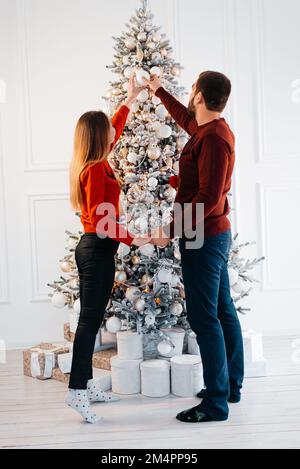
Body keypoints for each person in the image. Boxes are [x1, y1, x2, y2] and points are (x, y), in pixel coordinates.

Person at [144, 71, 244, 422]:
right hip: (208, 234)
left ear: (200, 95)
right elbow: (186, 119)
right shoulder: (207, 130)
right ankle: (230, 386)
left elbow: (208, 199)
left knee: (206, 318)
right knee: (222, 309)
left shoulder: (215, 138)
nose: (188, 94)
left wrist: (169, 230)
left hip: (204, 237)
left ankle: (216, 402)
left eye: (191, 89)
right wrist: (159, 91)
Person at [67, 74, 150, 423]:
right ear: (100, 138)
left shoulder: (93, 163)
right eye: (109, 132)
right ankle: (76, 392)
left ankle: (85, 386)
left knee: (93, 319)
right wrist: (137, 239)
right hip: (97, 249)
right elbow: (104, 224)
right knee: (88, 324)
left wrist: (129, 100)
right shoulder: (97, 169)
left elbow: (114, 127)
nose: (114, 134)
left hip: (97, 249)